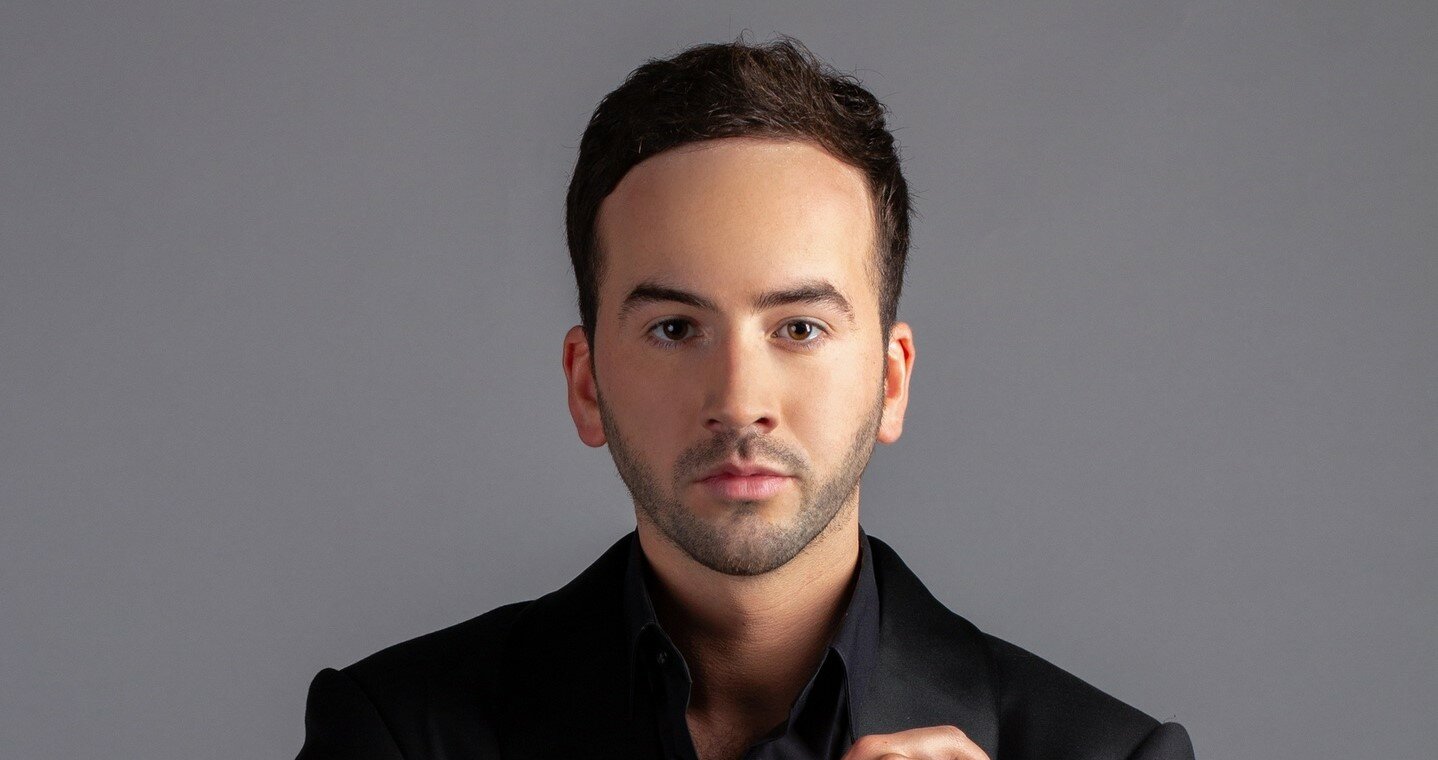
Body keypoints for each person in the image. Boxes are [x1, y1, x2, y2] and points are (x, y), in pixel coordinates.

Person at [295, 37, 1195, 760]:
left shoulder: (1107, 754)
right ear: (586, 384)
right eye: (675, 328)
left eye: (798, 327)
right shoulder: (394, 735)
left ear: (891, 381)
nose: (739, 400)